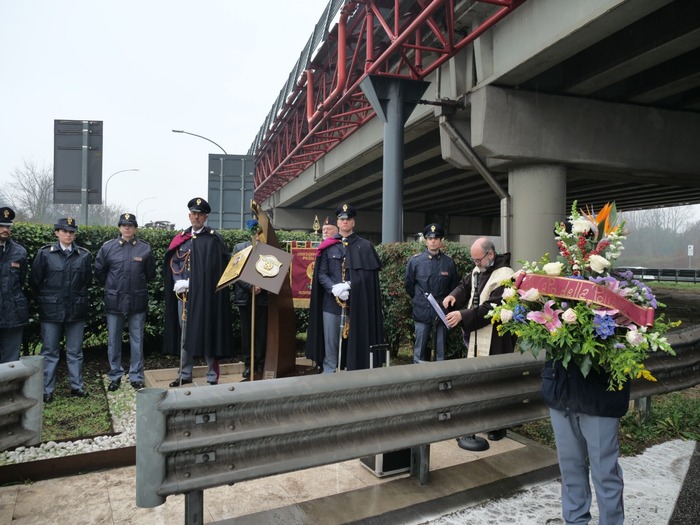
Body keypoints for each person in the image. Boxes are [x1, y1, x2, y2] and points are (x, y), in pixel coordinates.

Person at [443, 237, 515, 450]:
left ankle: (497, 426)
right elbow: (465, 286)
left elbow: (491, 308)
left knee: (495, 380)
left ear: (490, 255)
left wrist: (462, 316)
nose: (475, 264)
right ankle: (480, 416)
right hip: (478, 335)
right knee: (478, 378)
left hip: (497, 336)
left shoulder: (505, 276)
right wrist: (453, 296)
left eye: (477, 260)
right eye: (473, 260)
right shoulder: (478, 269)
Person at [543, 360, 630, 525]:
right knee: (570, 469)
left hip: (600, 395)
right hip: (561, 390)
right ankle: (575, 521)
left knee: (605, 473)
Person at [306, 203, 384, 372]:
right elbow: (321, 273)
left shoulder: (364, 246)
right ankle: (329, 375)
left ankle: (354, 374)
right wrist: (334, 288)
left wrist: (350, 284)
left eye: (348, 219)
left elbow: (369, 277)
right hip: (331, 303)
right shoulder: (329, 246)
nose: (345, 222)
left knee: (357, 341)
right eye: (342, 219)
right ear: (338, 222)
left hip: (357, 303)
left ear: (353, 222)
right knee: (330, 342)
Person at [163, 198, 232, 386]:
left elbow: (219, 266)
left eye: (200, 214)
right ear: (189, 215)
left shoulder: (213, 239)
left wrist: (199, 281)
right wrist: (179, 281)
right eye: (194, 214)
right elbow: (175, 261)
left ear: (205, 217)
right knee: (185, 333)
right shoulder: (182, 238)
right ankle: (185, 373)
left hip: (207, 296)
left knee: (208, 330)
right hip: (184, 295)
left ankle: (211, 375)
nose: (197, 217)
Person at [30, 218, 93, 403]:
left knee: (75, 351)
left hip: (76, 310)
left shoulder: (83, 255)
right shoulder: (45, 254)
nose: (68, 234)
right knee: (49, 351)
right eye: (64, 231)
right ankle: (47, 389)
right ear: (57, 232)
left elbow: (87, 281)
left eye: (72, 231)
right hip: (51, 310)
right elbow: (35, 281)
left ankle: (77, 386)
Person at [95, 213, 156, 391]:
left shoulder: (145, 248)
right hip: (115, 300)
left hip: (137, 299)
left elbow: (150, 274)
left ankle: (136, 375)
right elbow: (100, 272)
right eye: (124, 225)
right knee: (114, 339)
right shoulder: (108, 248)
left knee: (137, 339)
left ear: (135, 228)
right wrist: (112, 286)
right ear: (119, 227)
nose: (127, 228)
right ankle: (115, 375)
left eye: (130, 225)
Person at [405, 223, 459, 363]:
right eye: (429, 238)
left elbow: (454, 287)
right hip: (422, 311)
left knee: (440, 351)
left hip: (441, 311)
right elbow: (409, 286)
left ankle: (440, 378)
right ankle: (418, 379)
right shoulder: (415, 261)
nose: (433, 241)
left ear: (441, 240)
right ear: (425, 240)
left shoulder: (449, 262)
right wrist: (419, 300)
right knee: (419, 351)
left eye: (436, 238)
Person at [233, 220, 268, 379]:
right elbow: (235, 272)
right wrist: (250, 286)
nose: (256, 234)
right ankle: (249, 365)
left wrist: (261, 286)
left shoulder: (267, 249)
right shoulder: (240, 248)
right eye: (253, 231)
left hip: (262, 297)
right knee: (247, 333)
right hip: (245, 297)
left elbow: (272, 271)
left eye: (259, 231)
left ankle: (260, 364)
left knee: (261, 333)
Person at [0, 207, 29, 363]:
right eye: (2, 226)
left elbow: (21, 279)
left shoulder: (19, 252)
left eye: (8, 226)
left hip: (13, 313)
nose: (5, 230)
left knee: (11, 361)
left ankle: (9, 388)